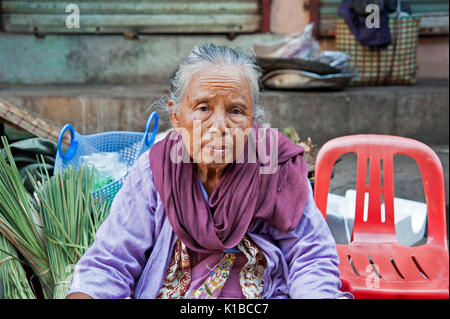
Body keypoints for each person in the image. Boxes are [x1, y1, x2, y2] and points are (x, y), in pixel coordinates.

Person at [66, 44, 352, 299]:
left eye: (236, 111)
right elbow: (111, 260)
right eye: (203, 108)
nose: (219, 126)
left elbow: (310, 255)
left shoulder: (273, 166)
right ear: (176, 117)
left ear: (252, 119)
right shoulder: (155, 171)